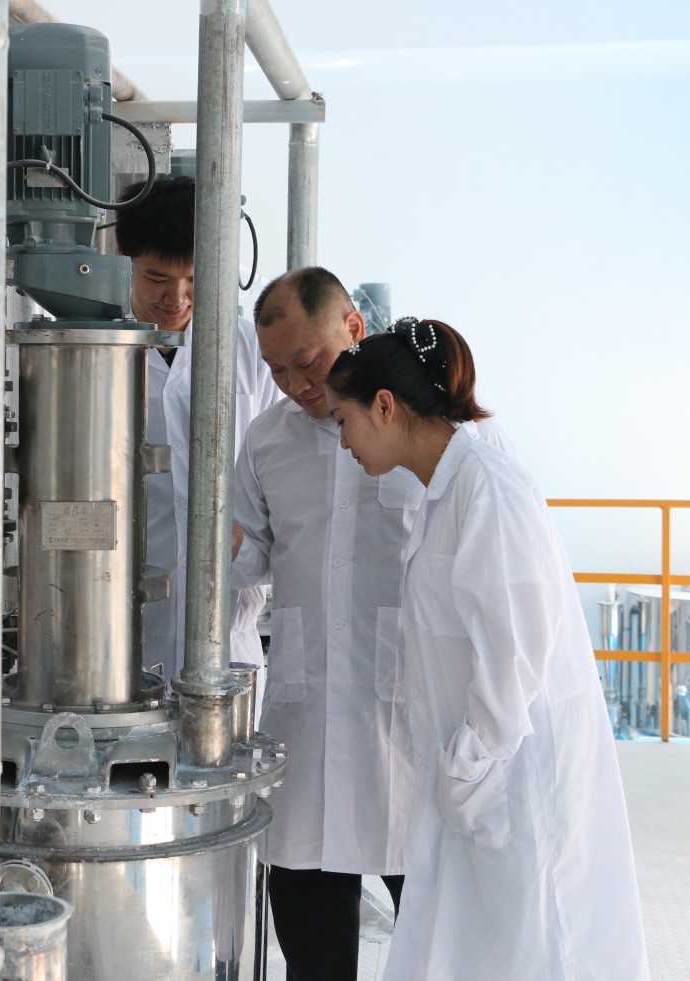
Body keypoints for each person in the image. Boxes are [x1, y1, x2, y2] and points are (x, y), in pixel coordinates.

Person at [324, 318, 649, 980]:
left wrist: (468, 773)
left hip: (513, 778)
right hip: (479, 780)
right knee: (480, 947)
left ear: (384, 406)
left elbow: (516, 658)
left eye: (343, 420)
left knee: (544, 948)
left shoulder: (490, 488)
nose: (343, 441)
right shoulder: (445, 490)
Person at [232, 266, 512, 980]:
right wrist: (226, 553)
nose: (295, 384)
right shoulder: (267, 440)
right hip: (308, 726)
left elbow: (496, 592)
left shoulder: (437, 437)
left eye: (307, 361)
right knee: (313, 951)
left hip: (412, 727)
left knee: (441, 946)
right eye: (276, 370)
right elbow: (247, 565)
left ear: (353, 327)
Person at [115, 175, 282, 683]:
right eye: (157, 277)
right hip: (115, 642)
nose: (177, 297)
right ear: (124, 259)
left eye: (194, 278)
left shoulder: (253, 354)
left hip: (231, 636)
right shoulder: (96, 354)